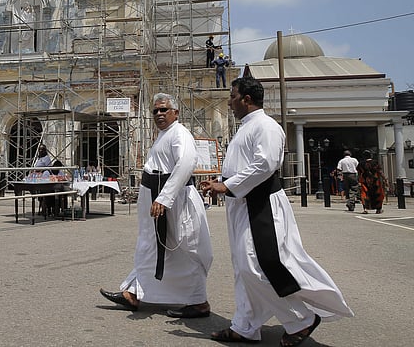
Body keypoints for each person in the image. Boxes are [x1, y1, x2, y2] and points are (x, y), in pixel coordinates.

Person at [201, 77, 353, 345]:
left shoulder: (266, 126)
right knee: (242, 268)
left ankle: (301, 319)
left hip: (260, 205)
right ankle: (245, 326)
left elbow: (265, 164)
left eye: (233, 97)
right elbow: (243, 164)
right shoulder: (246, 127)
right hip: (242, 204)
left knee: (255, 266)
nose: (230, 102)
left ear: (247, 99)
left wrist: (227, 185)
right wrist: (222, 182)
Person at [100, 93, 213, 318]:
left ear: (175, 113)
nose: (159, 114)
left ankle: (199, 301)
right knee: (151, 245)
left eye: (164, 109)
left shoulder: (180, 133)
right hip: (155, 198)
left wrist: (164, 198)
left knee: (185, 248)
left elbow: (186, 163)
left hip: (174, 201)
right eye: (155, 111)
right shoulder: (163, 135)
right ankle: (133, 293)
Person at [357, 150, 387, 214]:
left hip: (365, 181)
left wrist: (359, 181)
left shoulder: (361, 164)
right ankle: (378, 209)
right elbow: (380, 171)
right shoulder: (375, 162)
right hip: (375, 181)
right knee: (378, 194)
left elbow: (359, 173)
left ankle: (365, 209)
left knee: (365, 194)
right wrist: (384, 178)